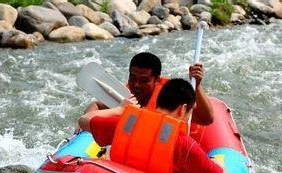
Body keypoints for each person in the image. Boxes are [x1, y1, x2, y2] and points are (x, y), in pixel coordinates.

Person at [78, 78, 226, 173]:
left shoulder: (126, 123)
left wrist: (119, 110)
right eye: (190, 112)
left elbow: (83, 120)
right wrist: (217, 162)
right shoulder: (184, 144)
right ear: (183, 108)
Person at [83, 52, 214, 126]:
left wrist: (196, 85)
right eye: (132, 78)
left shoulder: (170, 96)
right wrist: (81, 132)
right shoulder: (126, 94)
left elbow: (206, 119)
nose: (136, 85)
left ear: (156, 80)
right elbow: (95, 106)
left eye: (144, 80)